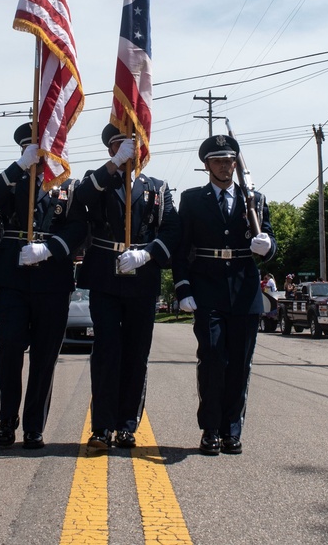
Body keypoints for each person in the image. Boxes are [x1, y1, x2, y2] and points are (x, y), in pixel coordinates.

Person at [73, 125, 179, 450]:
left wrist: (147, 254)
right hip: (105, 277)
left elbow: (173, 232)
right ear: (111, 150)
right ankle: (102, 427)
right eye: (121, 146)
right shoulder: (98, 181)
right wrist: (113, 166)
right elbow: (82, 199)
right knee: (107, 352)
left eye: (134, 145)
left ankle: (127, 425)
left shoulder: (158, 188)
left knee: (136, 355)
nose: (130, 150)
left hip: (142, 279)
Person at [0, 123, 88, 450]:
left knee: (45, 356)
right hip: (14, 279)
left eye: (41, 146)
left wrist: (50, 248)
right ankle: (6, 419)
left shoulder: (69, 185)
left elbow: (79, 229)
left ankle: (33, 426)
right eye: (29, 147)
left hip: (52, 279)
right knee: (9, 348)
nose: (37, 152)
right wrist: (20, 165)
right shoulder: (14, 181)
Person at [172, 134, 276, 456]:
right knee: (213, 359)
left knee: (240, 366)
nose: (224, 166)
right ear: (207, 166)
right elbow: (180, 248)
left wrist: (268, 247)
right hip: (207, 288)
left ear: (236, 163)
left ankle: (232, 430)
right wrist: (183, 287)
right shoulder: (191, 199)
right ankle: (211, 429)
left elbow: (270, 239)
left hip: (244, 290)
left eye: (229, 160)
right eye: (217, 160)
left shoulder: (254, 199)